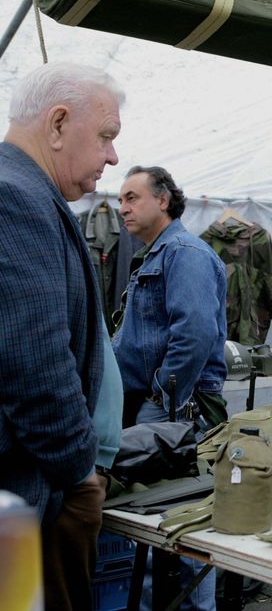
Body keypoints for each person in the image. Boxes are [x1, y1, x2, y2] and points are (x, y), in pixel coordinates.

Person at [0, 62, 123, 610]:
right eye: (105, 137)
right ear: (56, 124)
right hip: (28, 493)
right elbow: (32, 361)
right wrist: (79, 473)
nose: (113, 157)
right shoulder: (15, 199)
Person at [112, 166, 227, 611]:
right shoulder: (159, 254)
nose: (122, 208)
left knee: (187, 521)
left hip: (176, 410)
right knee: (157, 519)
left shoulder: (183, 253)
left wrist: (162, 399)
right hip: (158, 406)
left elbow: (195, 334)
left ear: (163, 200)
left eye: (131, 197)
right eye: (121, 200)